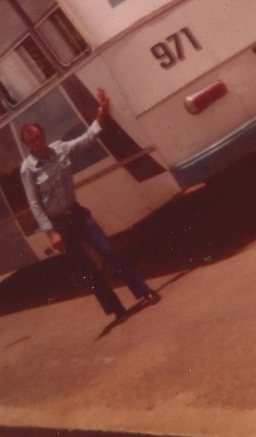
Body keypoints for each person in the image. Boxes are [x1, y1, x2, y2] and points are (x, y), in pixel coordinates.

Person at [20, 88, 160, 324]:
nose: (37, 142)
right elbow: (34, 203)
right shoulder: (28, 169)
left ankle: (143, 290)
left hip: (78, 214)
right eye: (31, 140)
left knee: (109, 251)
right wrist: (51, 232)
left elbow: (87, 138)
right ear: (28, 145)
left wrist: (101, 112)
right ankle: (117, 310)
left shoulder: (60, 149)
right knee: (87, 269)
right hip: (60, 224)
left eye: (38, 136)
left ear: (43, 135)